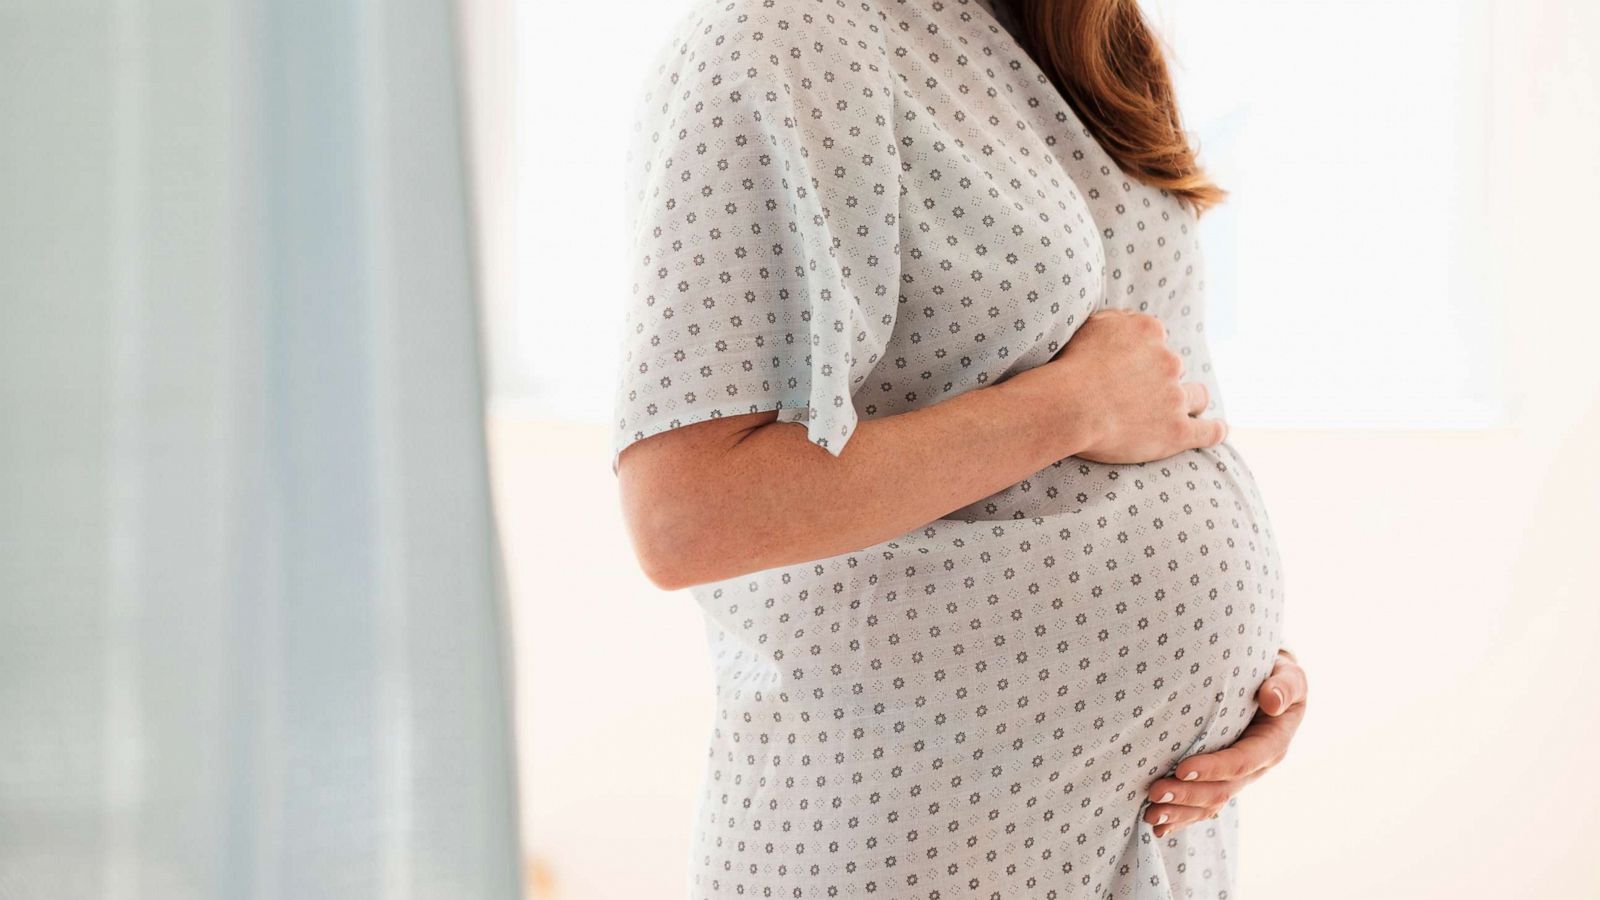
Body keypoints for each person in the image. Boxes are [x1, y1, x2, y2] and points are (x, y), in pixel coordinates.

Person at [610, 0, 1309, 895]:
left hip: (1154, 834)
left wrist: (1249, 683)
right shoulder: (776, 37)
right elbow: (685, 516)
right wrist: (1068, 407)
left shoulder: (1086, 39)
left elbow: (1166, 403)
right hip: (927, 828)